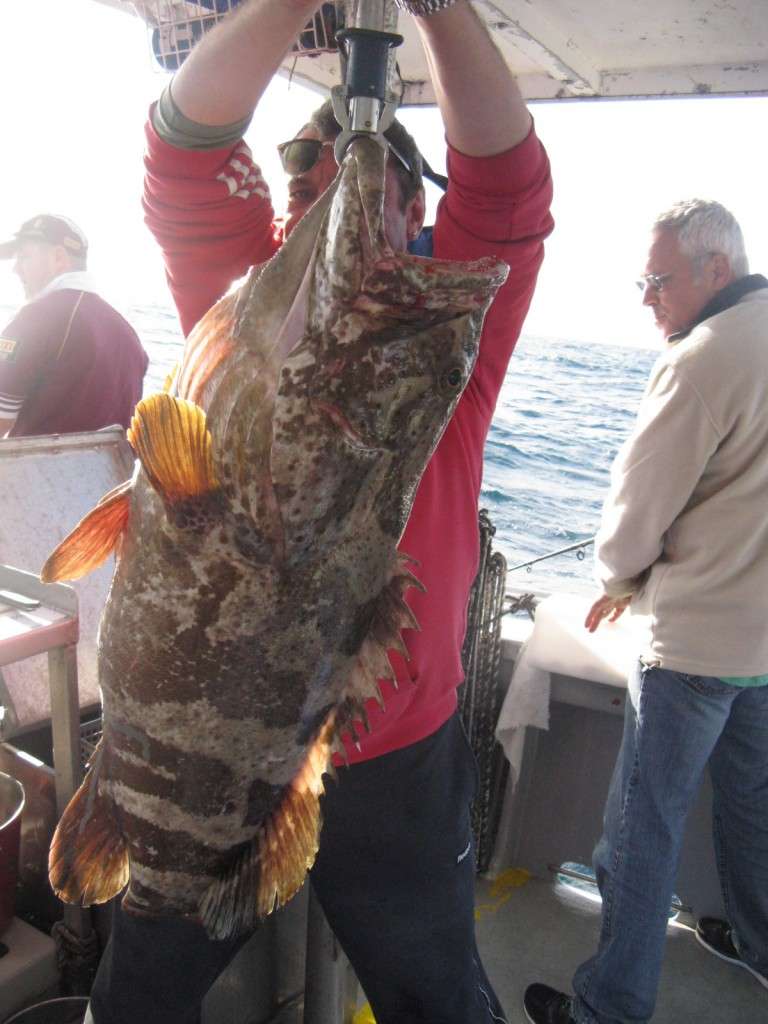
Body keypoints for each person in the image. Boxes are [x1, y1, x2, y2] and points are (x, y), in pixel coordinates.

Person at [86, 2, 553, 1021]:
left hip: (399, 768)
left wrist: (437, 9)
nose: (340, 175)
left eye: (381, 179)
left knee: (440, 1000)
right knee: (133, 1001)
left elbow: (510, 194)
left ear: (417, 221)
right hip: (199, 765)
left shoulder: (445, 336)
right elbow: (181, 155)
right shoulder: (243, 299)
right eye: (311, 167)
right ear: (285, 207)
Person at [524, 199, 768, 1024]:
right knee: (755, 808)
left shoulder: (701, 357)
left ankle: (607, 1010)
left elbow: (635, 515)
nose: (646, 297)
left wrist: (618, 580)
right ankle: (761, 948)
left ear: (716, 271)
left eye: (659, 279)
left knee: (639, 833)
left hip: (696, 648)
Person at [0, 214, 148, 438]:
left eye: (24, 257)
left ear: (59, 258)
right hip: (111, 471)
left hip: (32, 469)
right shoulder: (127, 334)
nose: (16, 269)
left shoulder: (35, 318)